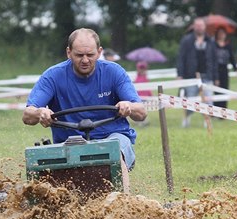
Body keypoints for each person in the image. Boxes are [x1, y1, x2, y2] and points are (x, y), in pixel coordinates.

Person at [23, 28, 147, 193]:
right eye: (79, 55)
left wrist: (129, 106)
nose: (85, 60)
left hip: (111, 138)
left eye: (90, 55)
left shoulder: (114, 72)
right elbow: (27, 116)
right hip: (69, 143)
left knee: (116, 146)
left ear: (99, 52)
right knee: (40, 161)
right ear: (69, 52)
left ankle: (122, 202)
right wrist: (40, 113)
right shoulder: (52, 76)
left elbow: (141, 113)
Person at [176, 17, 218, 128]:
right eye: (197, 25)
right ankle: (187, 119)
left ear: (204, 27)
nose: (199, 27)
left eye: (201, 25)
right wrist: (180, 74)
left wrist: (216, 77)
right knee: (190, 100)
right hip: (191, 76)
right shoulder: (186, 40)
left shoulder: (210, 41)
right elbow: (181, 58)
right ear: (194, 27)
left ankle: (207, 121)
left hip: (207, 75)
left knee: (208, 99)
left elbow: (214, 60)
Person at [214, 27, 237, 108]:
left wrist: (235, 68)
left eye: (223, 33)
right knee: (216, 90)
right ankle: (216, 110)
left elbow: (232, 58)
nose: (221, 35)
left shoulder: (228, 45)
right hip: (216, 70)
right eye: (220, 33)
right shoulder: (213, 45)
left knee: (225, 89)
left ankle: (224, 110)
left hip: (224, 70)